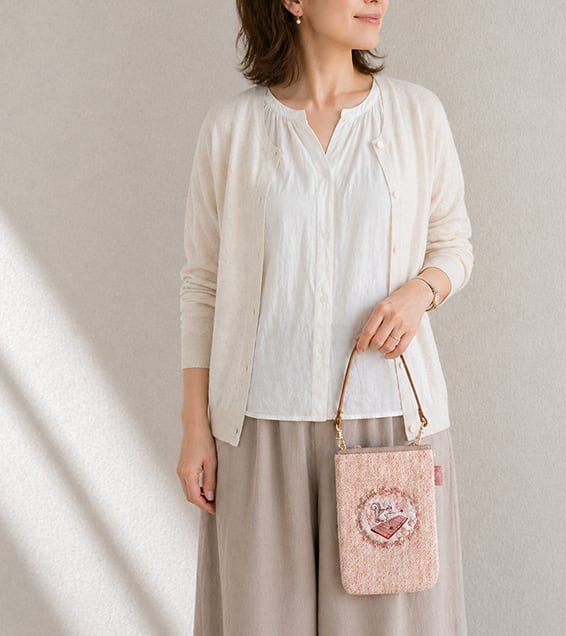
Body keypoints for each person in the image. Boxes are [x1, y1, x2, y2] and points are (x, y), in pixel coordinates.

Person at [176, 0, 474, 634]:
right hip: (259, 428)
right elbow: (202, 284)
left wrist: (419, 293)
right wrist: (195, 428)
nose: (377, 0)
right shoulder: (232, 129)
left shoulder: (416, 115)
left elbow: (454, 245)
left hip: (387, 426)